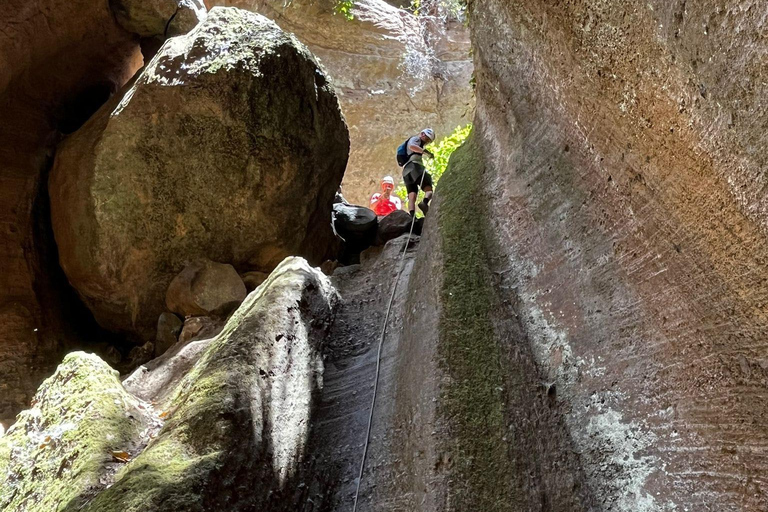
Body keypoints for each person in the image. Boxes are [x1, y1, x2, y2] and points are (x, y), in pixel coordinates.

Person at [398, 128, 436, 216]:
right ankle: (425, 202)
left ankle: (412, 216)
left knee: (412, 195)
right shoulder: (416, 139)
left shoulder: (418, 142)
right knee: (428, 187)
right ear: (422, 134)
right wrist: (426, 152)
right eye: (427, 139)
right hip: (415, 166)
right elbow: (412, 146)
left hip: (406, 171)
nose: (426, 142)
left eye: (428, 141)